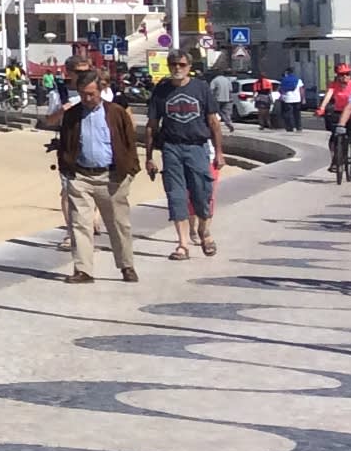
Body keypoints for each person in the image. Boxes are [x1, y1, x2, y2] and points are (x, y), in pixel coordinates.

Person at [51, 66, 140, 284]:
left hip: (111, 176)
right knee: (80, 223)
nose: (87, 98)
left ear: (101, 90)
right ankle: (83, 270)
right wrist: (67, 169)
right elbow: (65, 143)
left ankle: (126, 266)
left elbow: (129, 142)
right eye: (83, 94)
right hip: (80, 176)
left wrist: (130, 171)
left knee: (118, 224)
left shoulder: (116, 113)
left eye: (91, 93)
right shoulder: (72, 114)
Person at [144, 54, 225, 260]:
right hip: (171, 148)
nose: (177, 68)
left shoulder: (201, 88)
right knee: (176, 196)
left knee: (202, 193)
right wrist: (149, 156)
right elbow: (152, 126)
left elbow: (213, 122)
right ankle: (182, 245)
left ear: (189, 66)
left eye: (182, 64)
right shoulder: (161, 91)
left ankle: (204, 231)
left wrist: (219, 152)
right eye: (173, 64)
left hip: (197, 147)